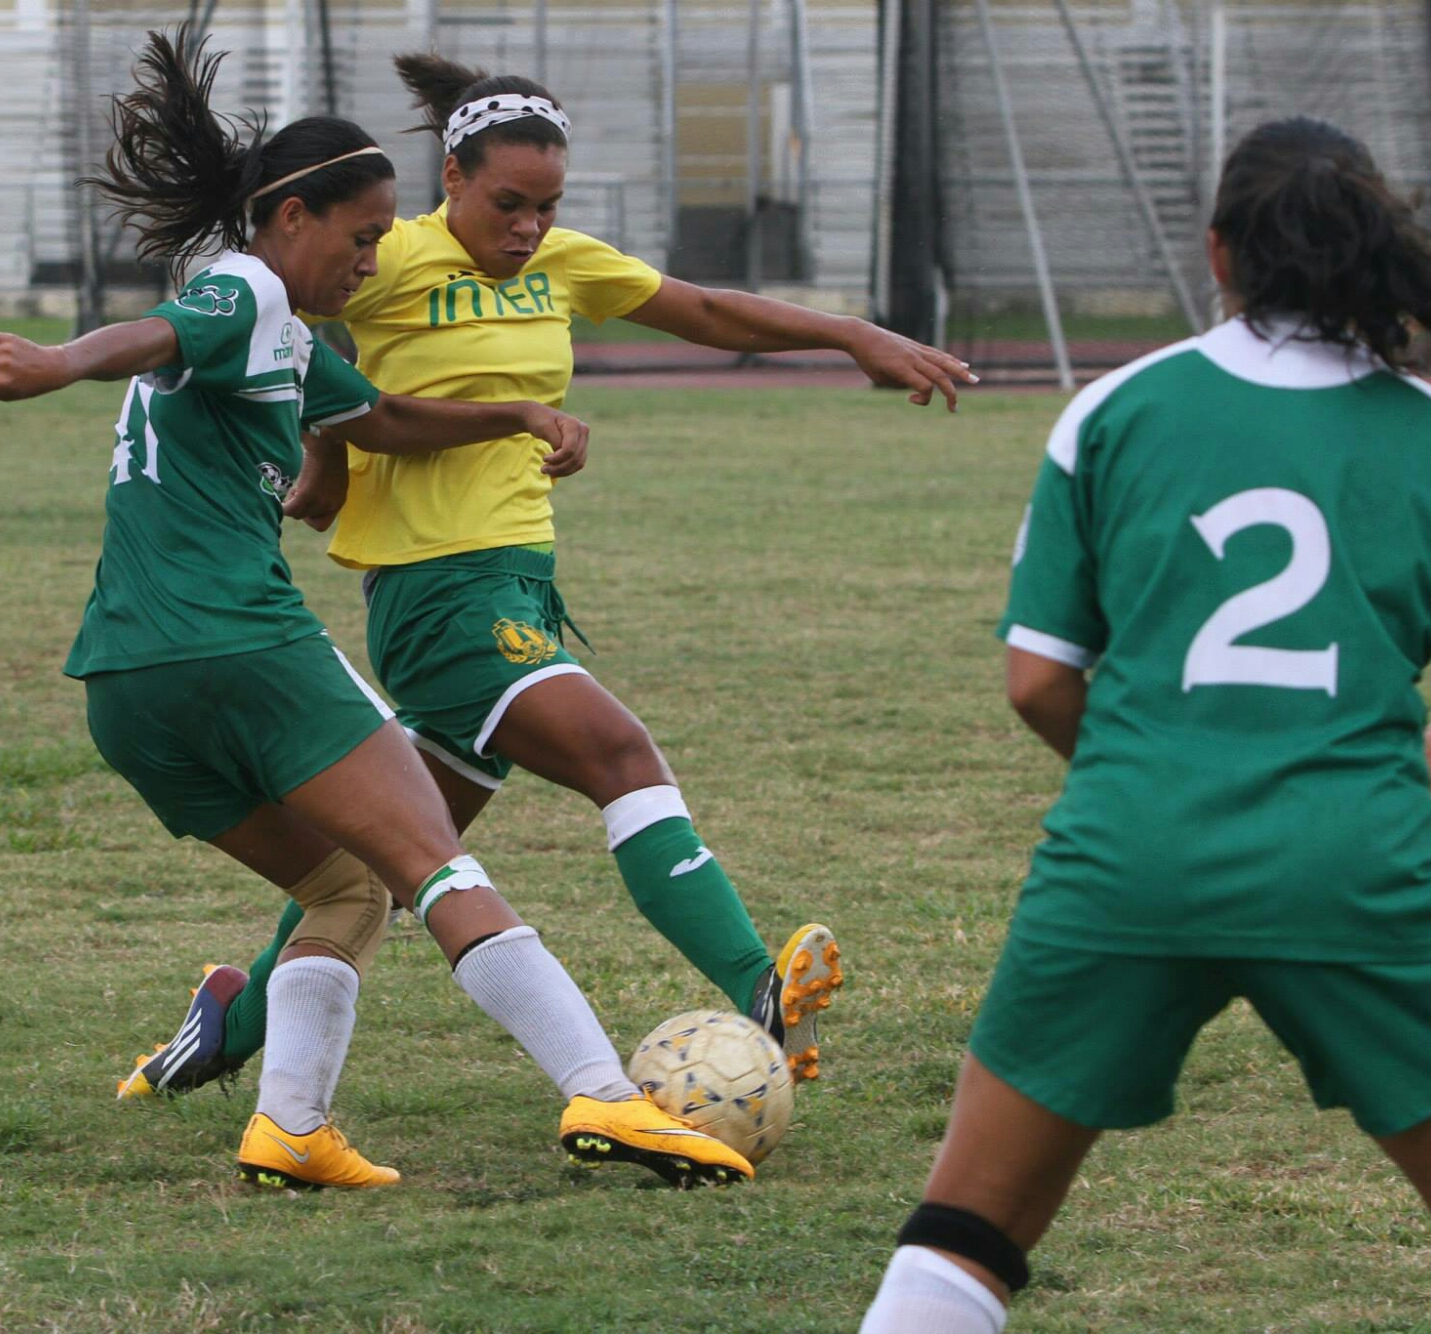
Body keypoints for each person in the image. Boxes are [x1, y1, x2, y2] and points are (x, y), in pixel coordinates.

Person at [0, 25, 753, 1191]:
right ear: (291, 220)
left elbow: (374, 416)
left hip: (126, 686)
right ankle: (608, 1095)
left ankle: (289, 1126)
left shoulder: (282, 328)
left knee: (340, 885)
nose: (373, 261)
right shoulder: (243, 288)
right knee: (437, 866)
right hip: (244, 647)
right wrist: (58, 362)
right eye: (363, 236)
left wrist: (511, 413)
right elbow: (162, 333)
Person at [119, 54, 975, 1102]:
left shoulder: (564, 264)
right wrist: (330, 464)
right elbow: (299, 336)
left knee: (391, 865)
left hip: (520, 584)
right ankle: (757, 984)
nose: (526, 225)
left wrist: (850, 334)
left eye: (545, 205)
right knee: (616, 749)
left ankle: (224, 1022)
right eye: (507, 202)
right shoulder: (388, 254)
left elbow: (704, 311)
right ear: (452, 179)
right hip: (436, 592)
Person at [858, 117, 1431, 1332]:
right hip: (1358, 861)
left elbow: (1033, 680)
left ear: (1218, 253)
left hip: (1130, 852)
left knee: (965, 1232)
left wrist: (1146, 772)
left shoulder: (1113, 411)